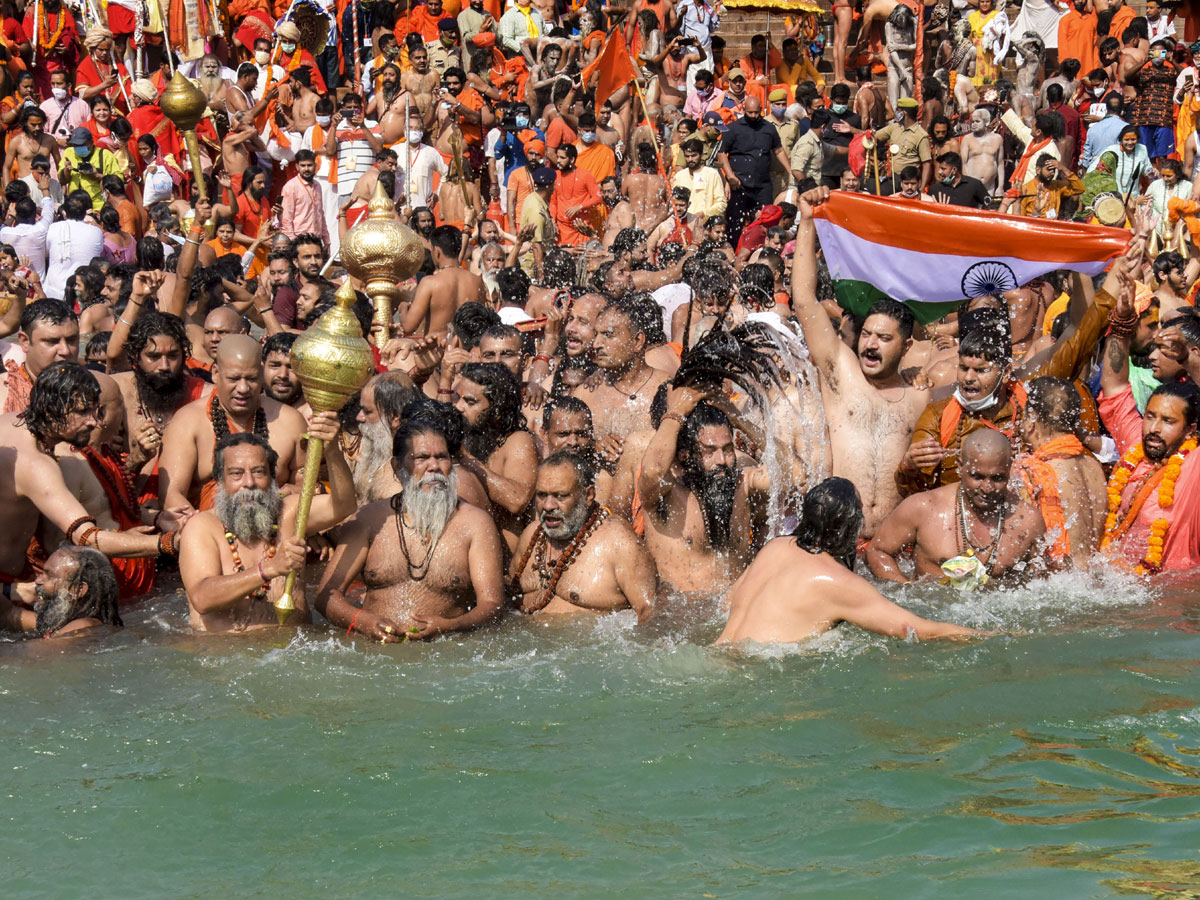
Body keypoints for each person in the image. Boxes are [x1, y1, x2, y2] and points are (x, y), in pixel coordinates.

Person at [791, 189, 930, 538]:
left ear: (907, 345)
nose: (869, 344)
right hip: (837, 540)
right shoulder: (843, 374)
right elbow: (805, 301)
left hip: (893, 546)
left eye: (884, 339)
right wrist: (807, 221)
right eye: (867, 334)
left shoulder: (920, 396)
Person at [716, 478, 979, 645]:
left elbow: (727, 603)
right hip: (758, 673)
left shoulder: (774, 547)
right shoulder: (836, 581)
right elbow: (919, 631)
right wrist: (986, 636)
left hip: (720, 653)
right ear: (851, 527)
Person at [316, 418, 505, 641]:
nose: (433, 467)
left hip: (443, 655)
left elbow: (492, 605)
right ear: (397, 468)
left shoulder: (476, 524)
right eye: (421, 458)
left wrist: (452, 626)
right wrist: (362, 621)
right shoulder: (370, 519)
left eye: (441, 457)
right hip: (375, 657)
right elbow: (325, 596)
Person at [0, 362, 165, 586]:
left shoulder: (10, 421)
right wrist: (167, 544)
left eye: (97, 411)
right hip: (7, 587)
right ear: (50, 410)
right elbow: (86, 537)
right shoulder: (38, 465)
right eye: (82, 411)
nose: (94, 422)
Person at [179, 424, 355, 633]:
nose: (249, 483)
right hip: (225, 655)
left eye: (259, 472)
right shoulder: (201, 527)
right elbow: (202, 598)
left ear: (272, 478)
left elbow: (344, 505)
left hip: (293, 652)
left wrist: (332, 451)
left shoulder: (288, 513)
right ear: (220, 481)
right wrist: (269, 569)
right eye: (236, 474)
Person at [1099, 278, 1200, 572]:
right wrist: (1122, 324)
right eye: (1151, 417)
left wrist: (1189, 352)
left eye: (1168, 421)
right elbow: (1115, 386)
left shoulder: (1194, 465)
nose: (1154, 428)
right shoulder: (1136, 446)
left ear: (1191, 430)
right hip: (1121, 590)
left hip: (1173, 602)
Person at [867, 429, 1047, 586]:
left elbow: (1041, 583)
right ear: (960, 467)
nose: (987, 488)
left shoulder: (1029, 521)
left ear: (1009, 470)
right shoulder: (923, 508)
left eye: (997, 478)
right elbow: (878, 551)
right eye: (977, 477)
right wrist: (906, 592)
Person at [637, 388, 770, 596]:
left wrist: (740, 420)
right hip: (684, 621)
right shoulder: (665, 495)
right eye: (709, 452)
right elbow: (652, 471)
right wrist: (677, 411)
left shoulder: (742, 483)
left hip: (736, 612)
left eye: (727, 450)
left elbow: (798, 476)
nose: (722, 461)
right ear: (685, 456)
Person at [158, 334, 308, 512]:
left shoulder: (290, 421)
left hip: (276, 531)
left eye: (251, 379)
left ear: (261, 374)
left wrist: (295, 493)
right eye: (234, 379)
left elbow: (308, 485)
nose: (243, 388)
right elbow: (171, 496)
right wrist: (204, 530)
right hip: (207, 533)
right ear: (215, 373)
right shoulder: (187, 422)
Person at [509, 452, 655, 622]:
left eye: (560, 496)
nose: (548, 506)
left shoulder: (619, 543)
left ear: (589, 495)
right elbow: (509, 599)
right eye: (542, 495)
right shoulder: (531, 536)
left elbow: (650, 615)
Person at [1014, 376, 1107, 565]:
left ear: (1031, 419)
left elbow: (1021, 544)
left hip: (1057, 583)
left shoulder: (1032, 470)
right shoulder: (1093, 465)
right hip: (1094, 581)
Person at [572, 301, 671, 440]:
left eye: (608, 334)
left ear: (637, 341)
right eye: (596, 334)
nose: (596, 344)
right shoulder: (585, 395)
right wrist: (594, 448)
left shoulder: (668, 389)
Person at [718, 97, 794, 241]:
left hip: (762, 186)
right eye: (750, 112)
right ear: (744, 110)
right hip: (739, 185)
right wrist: (730, 176)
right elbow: (722, 153)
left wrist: (790, 171)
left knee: (766, 222)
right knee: (735, 222)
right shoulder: (733, 128)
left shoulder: (768, 128)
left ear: (761, 110)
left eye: (756, 112)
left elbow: (778, 150)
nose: (753, 116)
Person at [403, 224, 486, 335]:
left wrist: (402, 309)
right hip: (465, 349)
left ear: (437, 251)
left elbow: (408, 327)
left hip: (436, 349)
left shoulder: (429, 283)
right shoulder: (477, 282)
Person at [0, 299, 80, 414]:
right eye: (52, 341)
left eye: (71, 340)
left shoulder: (99, 391)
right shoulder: (3, 393)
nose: (65, 351)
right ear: (25, 341)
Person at [32, 547, 122, 639]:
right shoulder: (67, 622)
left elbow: (36, 651)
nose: (37, 580)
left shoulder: (83, 627)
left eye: (50, 576)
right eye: (42, 573)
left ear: (77, 590)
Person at [870, 97, 932, 194]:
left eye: (898, 110)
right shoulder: (895, 127)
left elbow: (926, 163)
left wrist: (922, 187)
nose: (896, 114)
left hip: (908, 181)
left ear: (903, 113)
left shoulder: (921, 135)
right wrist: (854, 130)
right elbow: (873, 136)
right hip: (891, 178)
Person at [959, 107, 1005, 197]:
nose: (974, 124)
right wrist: (968, 185)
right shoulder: (967, 139)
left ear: (986, 122)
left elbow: (1000, 164)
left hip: (990, 187)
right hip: (972, 186)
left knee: (989, 209)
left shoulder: (997, 138)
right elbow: (963, 164)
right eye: (972, 122)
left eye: (977, 121)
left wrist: (1000, 186)